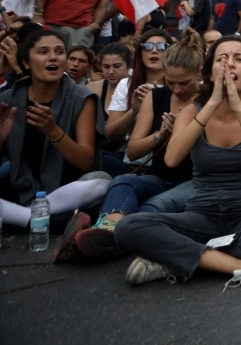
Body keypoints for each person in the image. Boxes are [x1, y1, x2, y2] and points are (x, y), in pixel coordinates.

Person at [113, 35, 241, 290]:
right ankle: (237, 265)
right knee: (128, 227)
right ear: (210, 73)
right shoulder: (192, 111)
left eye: (239, 59)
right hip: (201, 215)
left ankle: (177, 258)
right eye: (222, 59)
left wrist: (238, 107)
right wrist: (213, 102)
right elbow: (171, 159)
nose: (230, 65)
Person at [60, 30, 206, 260]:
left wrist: (188, 130)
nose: (176, 89)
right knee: (123, 181)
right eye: (170, 82)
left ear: (199, 72)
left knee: (154, 205)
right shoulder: (155, 97)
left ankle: (115, 239)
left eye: (184, 83)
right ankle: (107, 231)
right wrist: (160, 134)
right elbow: (134, 150)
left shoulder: (209, 99)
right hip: (159, 176)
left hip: (195, 180)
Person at [0, 29, 111, 243]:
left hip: (66, 192)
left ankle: (23, 216)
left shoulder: (81, 98)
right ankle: (39, 219)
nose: (53, 57)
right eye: (43, 51)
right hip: (21, 188)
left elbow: (86, 162)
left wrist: (53, 130)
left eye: (60, 52)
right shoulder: (8, 99)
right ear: (25, 63)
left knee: (102, 183)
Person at [106, 29, 169, 156]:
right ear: (140, 53)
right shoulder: (126, 84)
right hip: (132, 156)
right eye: (147, 47)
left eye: (162, 46)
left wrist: (157, 102)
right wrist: (134, 110)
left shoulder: (180, 85)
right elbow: (110, 135)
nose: (154, 50)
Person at [87, 42, 132, 122]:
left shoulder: (139, 87)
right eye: (106, 66)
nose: (111, 71)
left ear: (129, 65)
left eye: (117, 66)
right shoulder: (92, 88)